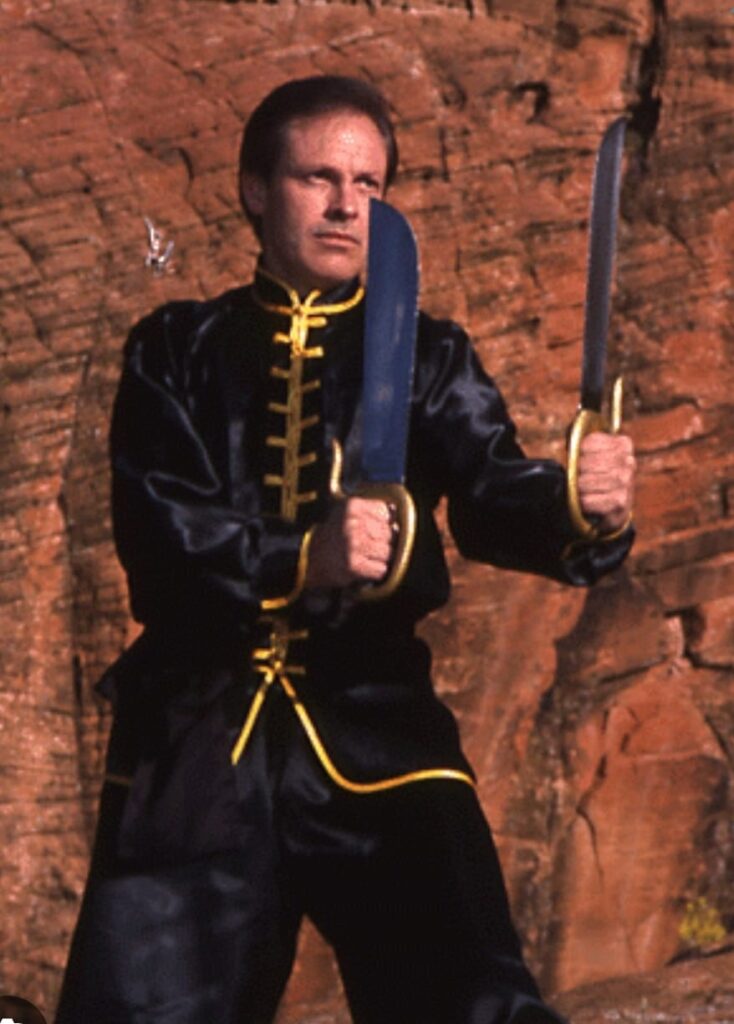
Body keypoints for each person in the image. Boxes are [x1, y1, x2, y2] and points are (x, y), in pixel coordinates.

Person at [56, 75, 635, 1024]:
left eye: (368, 183)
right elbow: (159, 532)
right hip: (196, 749)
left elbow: (492, 494)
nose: (345, 205)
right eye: (317, 177)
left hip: (379, 732)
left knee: (479, 1002)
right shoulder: (174, 350)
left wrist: (580, 504)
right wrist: (304, 558)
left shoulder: (429, 355)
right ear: (255, 189)